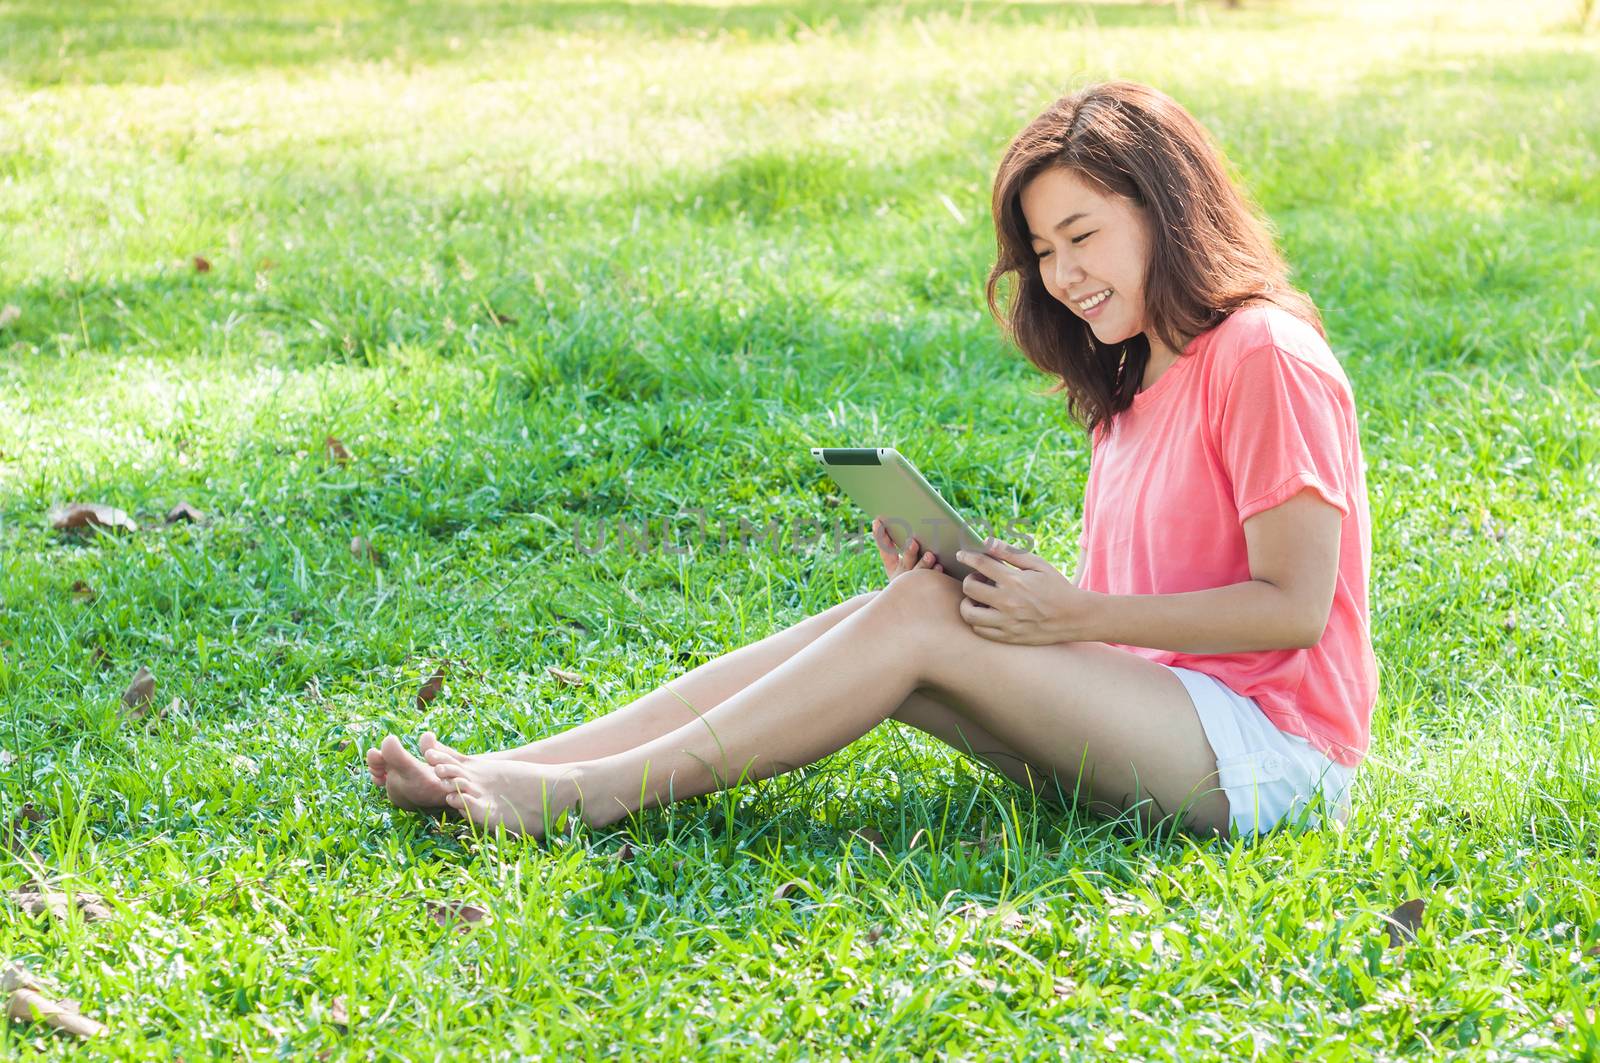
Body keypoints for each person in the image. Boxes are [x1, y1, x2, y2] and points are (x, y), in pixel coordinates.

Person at [367, 80, 1377, 841]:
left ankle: (582, 797)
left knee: (918, 617)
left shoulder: (1261, 353)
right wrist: (999, 595)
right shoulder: (1132, 379)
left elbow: (1290, 607)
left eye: (1083, 236)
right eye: (1043, 253)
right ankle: (516, 766)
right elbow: (1148, 607)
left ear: (1167, 212)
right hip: (1161, 717)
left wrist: (1072, 615)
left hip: (1270, 757)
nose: (1064, 276)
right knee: (897, 611)